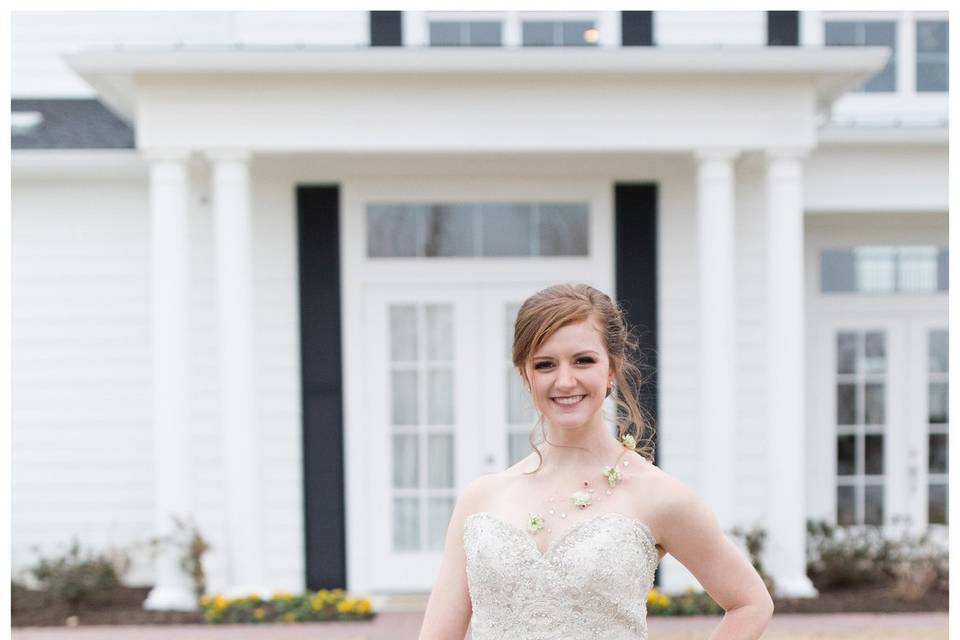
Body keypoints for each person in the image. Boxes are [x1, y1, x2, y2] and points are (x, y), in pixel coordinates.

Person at [418, 283, 773, 640]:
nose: (565, 380)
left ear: (611, 369)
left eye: (583, 360)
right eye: (545, 364)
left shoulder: (657, 495)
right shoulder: (481, 499)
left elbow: (751, 603)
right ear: (525, 376)